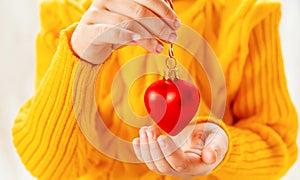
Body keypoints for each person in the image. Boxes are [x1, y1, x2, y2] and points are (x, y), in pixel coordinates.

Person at [12, 0, 298, 179]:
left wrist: (221, 151)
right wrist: (81, 55)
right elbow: (48, 168)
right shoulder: (67, 14)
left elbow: (278, 145)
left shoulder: (248, 15)